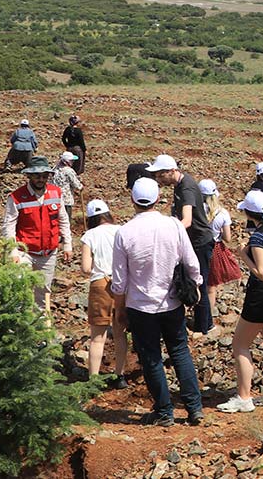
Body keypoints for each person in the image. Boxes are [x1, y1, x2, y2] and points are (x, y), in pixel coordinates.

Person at [111, 177, 205, 427]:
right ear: (158, 199)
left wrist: (120, 309)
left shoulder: (124, 232)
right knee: (180, 351)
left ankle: (165, 412)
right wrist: (195, 287)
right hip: (172, 302)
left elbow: (119, 281)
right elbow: (192, 263)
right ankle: (194, 408)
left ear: (133, 199)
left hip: (140, 306)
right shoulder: (173, 225)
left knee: (151, 356)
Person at [217, 190, 263, 413]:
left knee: (239, 344)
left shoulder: (259, 237)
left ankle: (244, 397)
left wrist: (243, 256)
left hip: (261, 297)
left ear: (249, 213)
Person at [148, 154, 214, 334]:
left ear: (172, 171)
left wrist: (167, 233)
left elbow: (187, 220)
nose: (158, 179)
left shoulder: (186, 189)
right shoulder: (179, 186)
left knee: (199, 282)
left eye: (161, 175)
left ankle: (204, 326)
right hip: (194, 240)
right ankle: (204, 321)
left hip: (200, 241)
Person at [2, 156, 72, 319]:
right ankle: (18, 326)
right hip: (23, 251)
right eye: (37, 176)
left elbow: (63, 219)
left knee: (43, 291)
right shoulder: (17, 197)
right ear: (29, 176)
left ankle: (42, 331)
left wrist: (67, 243)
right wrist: (12, 251)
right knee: (20, 288)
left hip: (48, 253)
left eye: (44, 176)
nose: (41, 179)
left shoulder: (56, 193)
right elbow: (9, 225)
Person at [79, 199, 128, 388]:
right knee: (120, 332)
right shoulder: (121, 230)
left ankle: (93, 380)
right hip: (122, 283)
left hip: (100, 283)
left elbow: (85, 268)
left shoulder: (89, 235)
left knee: (97, 337)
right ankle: (120, 375)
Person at [200, 179, 236, 311]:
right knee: (211, 287)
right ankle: (208, 316)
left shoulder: (194, 210)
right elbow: (228, 238)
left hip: (195, 247)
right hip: (214, 248)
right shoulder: (222, 213)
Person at [51, 151, 83, 221]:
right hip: (66, 200)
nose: (73, 162)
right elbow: (76, 184)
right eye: (71, 161)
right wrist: (81, 186)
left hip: (54, 198)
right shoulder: (69, 171)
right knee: (66, 219)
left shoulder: (55, 169)